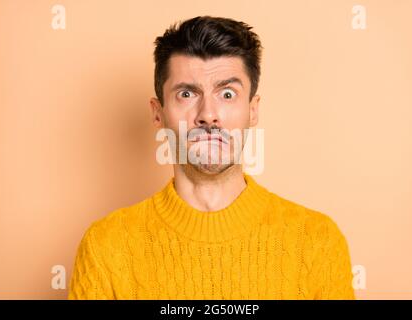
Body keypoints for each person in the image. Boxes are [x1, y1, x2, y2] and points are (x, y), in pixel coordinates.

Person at [68, 16, 355, 300]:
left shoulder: (318, 242)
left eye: (227, 94)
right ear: (158, 113)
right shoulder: (105, 247)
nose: (208, 114)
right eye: (186, 94)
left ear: (253, 110)